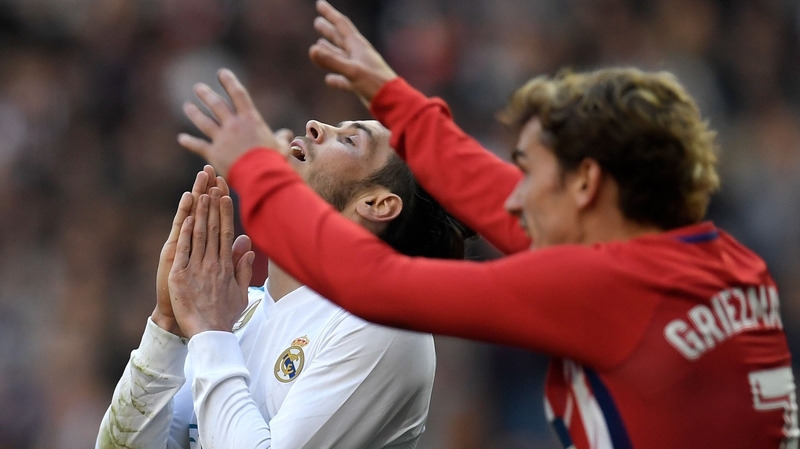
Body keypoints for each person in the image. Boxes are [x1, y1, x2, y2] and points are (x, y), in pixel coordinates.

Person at [174, 1, 799, 448]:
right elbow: (494, 195)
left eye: (530, 171)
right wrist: (394, 97)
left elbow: (376, 285)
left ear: (587, 183)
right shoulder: (723, 264)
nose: (517, 198)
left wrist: (260, 169)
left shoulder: (611, 293)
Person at [96, 115, 469, 447]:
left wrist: (209, 331)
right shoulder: (237, 315)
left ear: (376, 204)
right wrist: (168, 326)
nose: (316, 126)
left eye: (350, 140)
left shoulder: (385, 328)